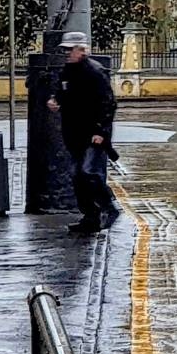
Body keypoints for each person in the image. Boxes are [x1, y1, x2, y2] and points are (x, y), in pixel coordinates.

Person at [46, 32, 118, 235]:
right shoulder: (68, 72)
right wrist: (55, 100)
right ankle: (91, 217)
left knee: (88, 172)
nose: (67, 53)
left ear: (83, 50)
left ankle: (109, 207)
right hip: (74, 132)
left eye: (71, 49)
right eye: (65, 50)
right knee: (78, 176)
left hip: (92, 133)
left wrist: (101, 131)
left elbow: (108, 104)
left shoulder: (95, 72)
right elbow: (62, 93)